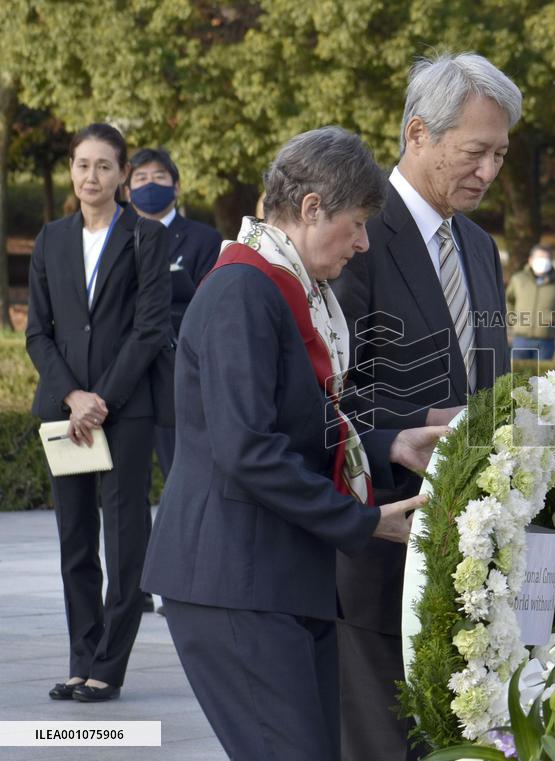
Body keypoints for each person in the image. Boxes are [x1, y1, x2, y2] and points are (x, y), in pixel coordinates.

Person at [141, 127, 447, 761]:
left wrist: (389, 443)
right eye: (358, 223)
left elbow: (294, 424)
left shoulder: (281, 287)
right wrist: (361, 522)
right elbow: (247, 448)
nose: (363, 243)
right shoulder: (241, 290)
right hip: (235, 580)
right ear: (312, 208)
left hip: (276, 577)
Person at [330, 52, 521, 760]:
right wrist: (399, 435)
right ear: (418, 133)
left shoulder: (480, 247)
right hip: (379, 547)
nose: (489, 170)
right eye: (476, 151)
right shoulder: (356, 237)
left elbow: (488, 384)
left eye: (500, 153)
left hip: (465, 557)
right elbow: (326, 393)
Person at [26, 123, 171, 702]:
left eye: (104, 166)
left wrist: (101, 397)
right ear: (71, 170)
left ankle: (108, 665)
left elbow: (150, 328)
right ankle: (80, 658)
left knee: (125, 538)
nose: (92, 176)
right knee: (75, 540)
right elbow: (39, 333)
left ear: (121, 175)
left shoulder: (145, 237)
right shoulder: (50, 239)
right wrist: (72, 397)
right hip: (66, 415)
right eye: (83, 165)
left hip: (125, 412)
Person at [127, 147, 223, 481]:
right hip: (125, 371)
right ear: (127, 190)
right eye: (140, 178)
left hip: (176, 367)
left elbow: (209, 302)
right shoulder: (118, 238)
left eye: (158, 177)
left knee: (181, 474)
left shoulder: (205, 239)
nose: (149, 185)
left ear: (176, 186)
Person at [506, 244, 555, 360]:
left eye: (546, 259)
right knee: (517, 376)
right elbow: (509, 300)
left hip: (546, 340)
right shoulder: (518, 279)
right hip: (521, 339)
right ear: (530, 260)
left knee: (542, 377)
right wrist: (512, 319)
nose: (542, 262)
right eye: (539, 258)